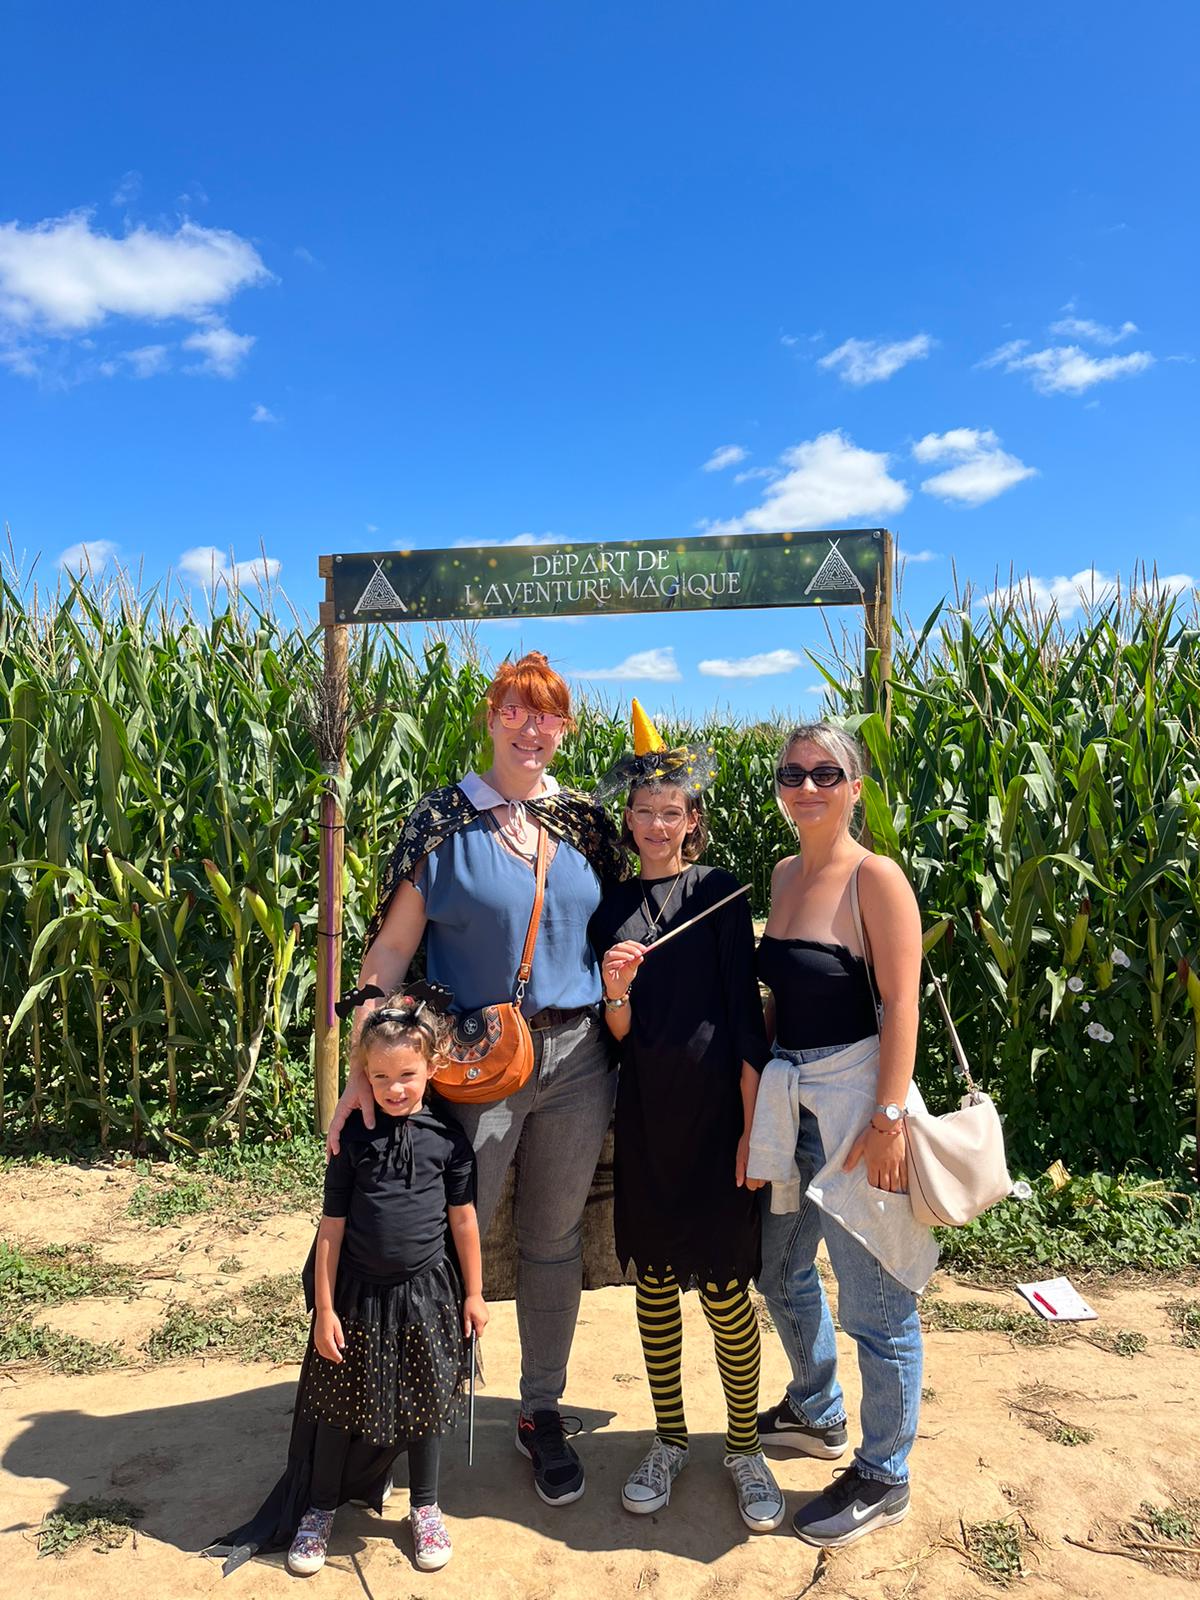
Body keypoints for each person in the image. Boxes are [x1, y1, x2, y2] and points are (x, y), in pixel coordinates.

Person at [327, 652, 627, 1508]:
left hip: (577, 1062)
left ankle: (540, 1411)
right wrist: (362, 1064)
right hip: (479, 1063)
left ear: (565, 727)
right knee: (434, 1237)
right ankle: (415, 1407)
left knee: (552, 1238)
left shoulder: (583, 824)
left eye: (551, 716)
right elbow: (389, 951)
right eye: (518, 713)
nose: (534, 731)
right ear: (491, 717)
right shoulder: (443, 822)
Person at [589, 701, 785, 1534]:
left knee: (729, 1291)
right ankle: (669, 1439)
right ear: (627, 819)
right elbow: (619, 1034)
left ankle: (743, 1446)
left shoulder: (722, 896)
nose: (659, 823)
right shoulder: (610, 909)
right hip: (646, 1119)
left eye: (674, 811)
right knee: (657, 1286)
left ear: (692, 819)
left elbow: (746, 1022)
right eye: (645, 810)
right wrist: (617, 987)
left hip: (715, 1120)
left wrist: (751, 1131)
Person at [208, 989, 486, 1577]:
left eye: (407, 1074)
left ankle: (426, 1506)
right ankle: (318, 1510)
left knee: (426, 1401)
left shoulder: (449, 1140)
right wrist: (324, 1309)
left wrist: (475, 1293)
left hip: (427, 1293)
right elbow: (330, 1230)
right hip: (357, 1296)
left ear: (432, 1066)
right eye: (380, 1075)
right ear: (364, 1072)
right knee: (338, 1405)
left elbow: (464, 1221)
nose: (394, 1088)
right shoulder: (353, 1138)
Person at [747, 720, 937, 1549]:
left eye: (828, 773)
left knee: (877, 1301)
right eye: (795, 773)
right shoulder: (787, 873)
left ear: (855, 786)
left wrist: (890, 1118)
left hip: (860, 1101)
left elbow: (903, 1003)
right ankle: (819, 1408)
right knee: (778, 1267)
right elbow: (783, 996)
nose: (809, 786)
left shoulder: (876, 878)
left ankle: (884, 1472)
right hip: (792, 1100)